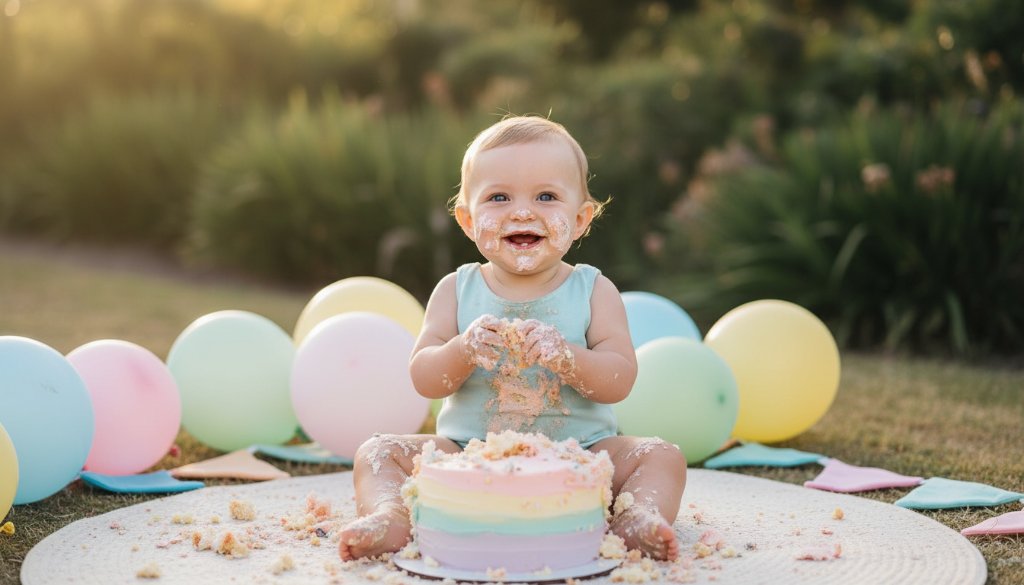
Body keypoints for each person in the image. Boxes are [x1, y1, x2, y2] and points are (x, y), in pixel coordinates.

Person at [338, 115, 687, 563]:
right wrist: (463, 350)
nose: (522, 212)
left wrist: (567, 357)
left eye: (546, 196)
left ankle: (634, 514)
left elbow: (619, 378)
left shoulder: (593, 290)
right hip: (467, 456)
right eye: (499, 197)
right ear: (467, 219)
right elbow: (425, 378)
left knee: (661, 455)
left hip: (581, 459)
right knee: (378, 451)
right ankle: (392, 514)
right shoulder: (456, 289)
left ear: (580, 219)